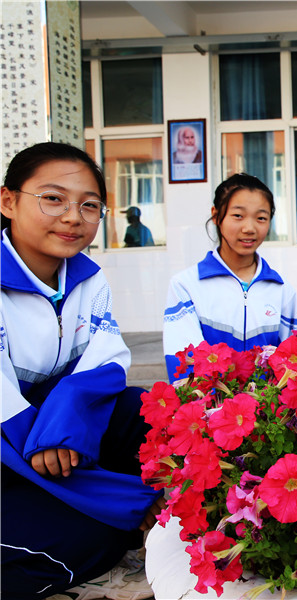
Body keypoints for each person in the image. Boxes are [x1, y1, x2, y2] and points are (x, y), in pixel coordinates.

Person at [0, 142, 163, 599]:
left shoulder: (88, 277)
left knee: (140, 407)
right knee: (91, 538)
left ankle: (108, 511)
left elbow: (107, 355)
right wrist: (40, 433)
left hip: (57, 444)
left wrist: (69, 407)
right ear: (8, 200)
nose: (74, 216)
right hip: (10, 451)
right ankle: (121, 511)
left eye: (89, 206)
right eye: (53, 198)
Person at [163, 173, 297, 382]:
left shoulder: (282, 291)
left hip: (269, 412)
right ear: (217, 216)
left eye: (261, 218)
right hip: (210, 410)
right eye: (238, 215)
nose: (249, 228)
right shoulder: (186, 286)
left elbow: (294, 365)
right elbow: (182, 366)